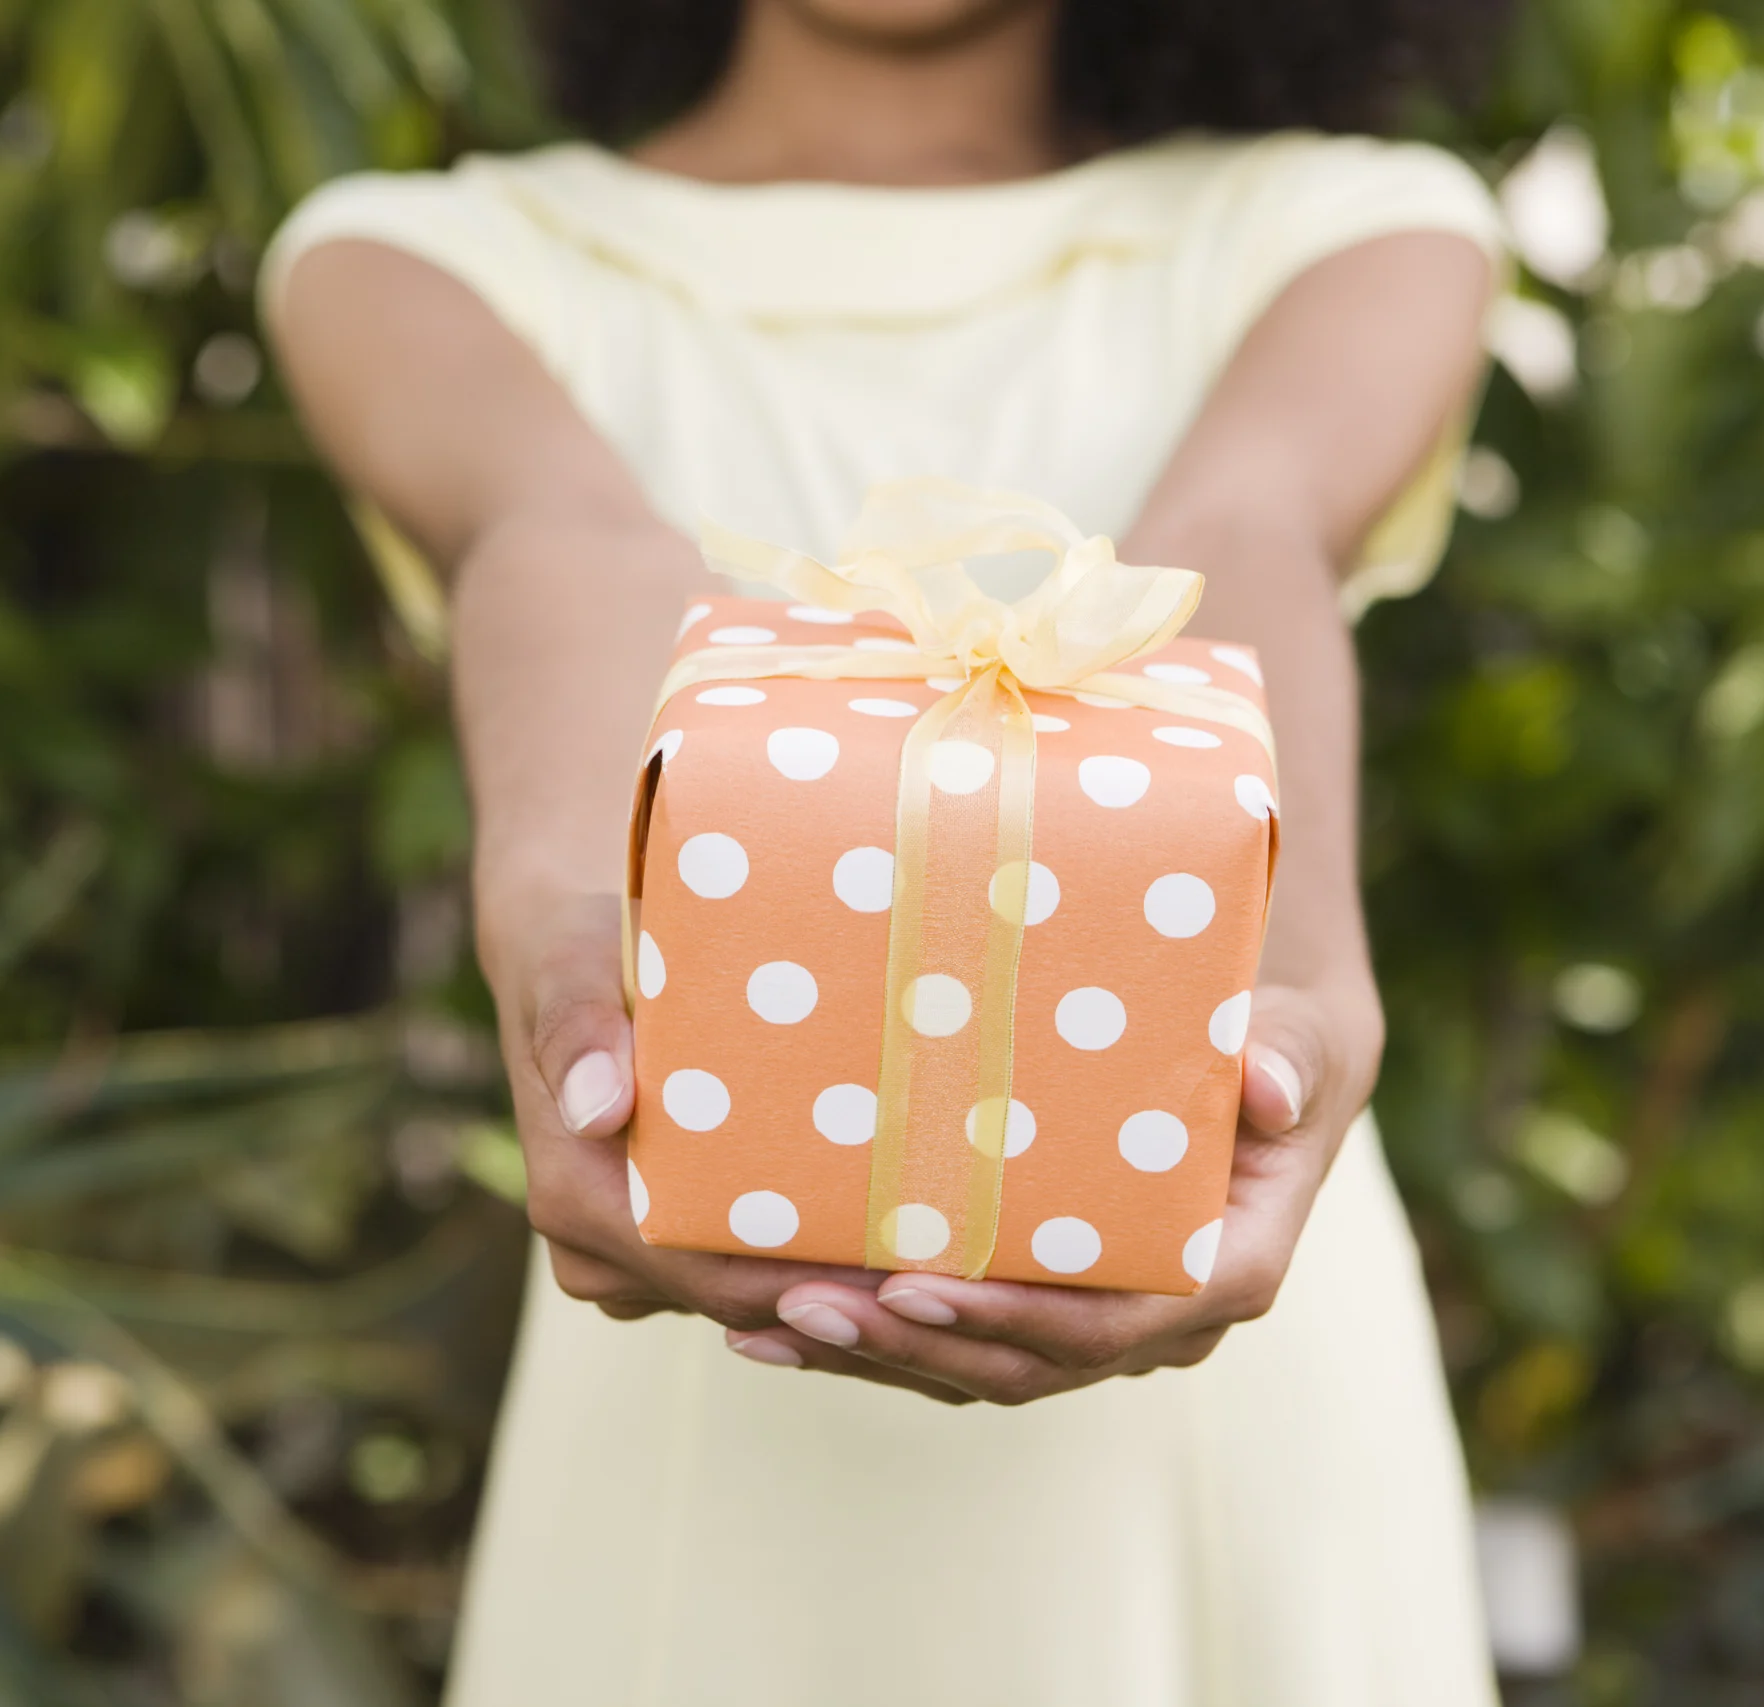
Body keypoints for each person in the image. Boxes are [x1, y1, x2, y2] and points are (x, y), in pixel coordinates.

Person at [262, 0, 1512, 1699]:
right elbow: (570, 542)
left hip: (1222, 1286)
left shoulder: (1354, 227)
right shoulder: (415, 261)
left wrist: (1293, 983)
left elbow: (1239, 534)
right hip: (702, 1332)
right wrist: (565, 919)